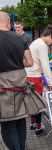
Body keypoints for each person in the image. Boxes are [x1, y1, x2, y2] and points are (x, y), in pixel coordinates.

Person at [0, 11, 33, 150]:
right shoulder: (21, 38)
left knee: (7, 124)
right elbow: (30, 62)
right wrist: (17, 62)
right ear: (9, 21)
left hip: (3, 87)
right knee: (20, 119)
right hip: (20, 84)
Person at [25, 25, 52, 136]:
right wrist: (50, 83)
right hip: (35, 77)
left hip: (28, 75)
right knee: (39, 104)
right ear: (50, 36)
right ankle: (38, 127)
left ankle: (32, 124)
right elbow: (45, 65)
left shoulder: (36, 42)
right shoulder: (42, 46)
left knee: (32, 102)